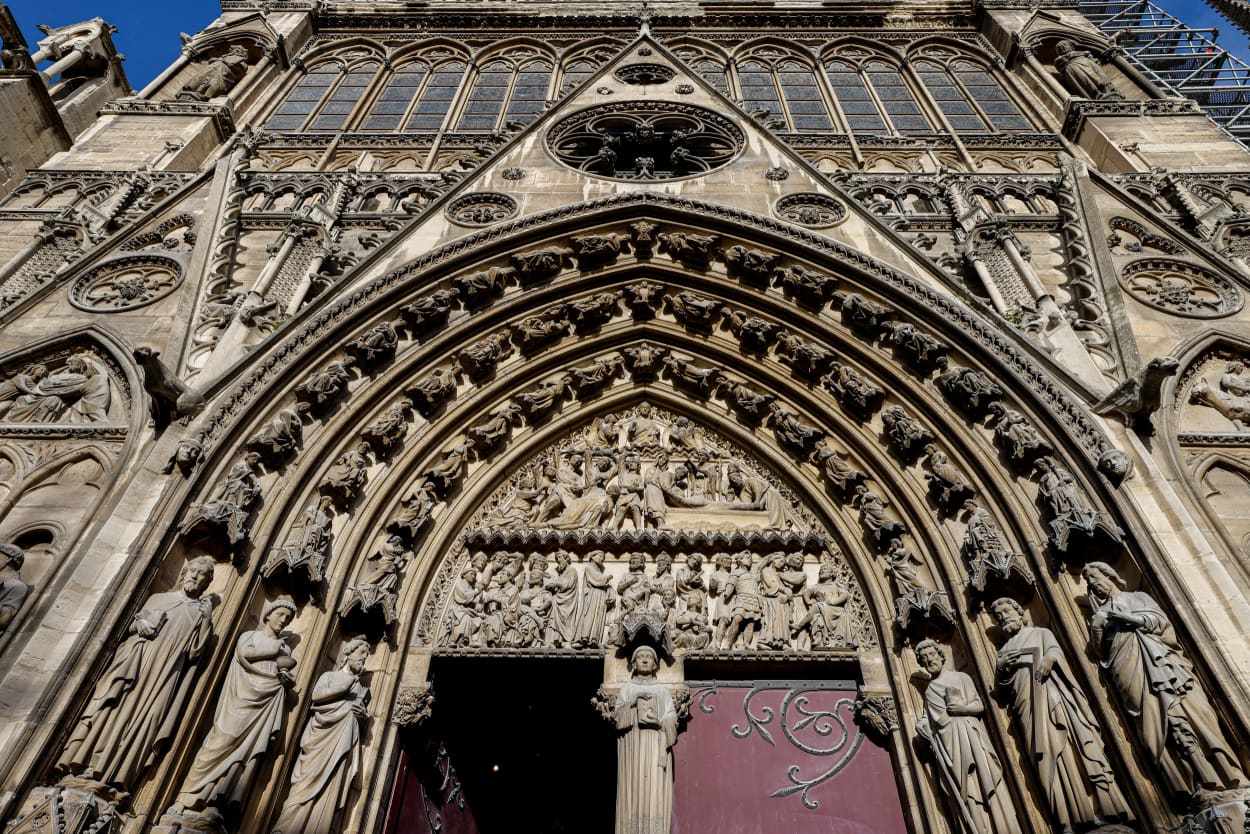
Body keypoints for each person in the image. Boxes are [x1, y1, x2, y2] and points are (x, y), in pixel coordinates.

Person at [1083, 562, 1246, 795]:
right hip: (1129, 669)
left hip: (1164, 663)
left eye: (1096, 578)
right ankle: (1190, 784)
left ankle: (1228, 773)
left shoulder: (1136, 597)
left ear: (1110, 576)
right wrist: (1098, 628)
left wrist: (1130, 619)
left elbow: (1161, 623)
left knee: (1195, 710)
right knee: (1156, 722)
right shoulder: (1099, 616)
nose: (1094, 585)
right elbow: (1100, 653)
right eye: (1090, 583)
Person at [57, 556, 216, 790]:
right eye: (192, 570)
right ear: (184, 572)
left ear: (207, 581)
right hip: (137, 667)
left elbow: (194, 654)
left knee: (150, 719)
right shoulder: (159, 598)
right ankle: (87, 762)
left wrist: (207, 620)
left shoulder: (201, 614)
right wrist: (138, 627)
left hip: (165, 677)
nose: (194, 575)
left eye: (201, 573)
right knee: (116, 709)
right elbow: (132, 627)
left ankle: (119, 775)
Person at [990, 597, 1127, 830]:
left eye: (1006, 612)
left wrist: (1050, 659)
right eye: (999, 616)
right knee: (1048, 758)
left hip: (1055, 700)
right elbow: (1001, 695)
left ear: (1019, 611)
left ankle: (1103, 809)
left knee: (1074, 748)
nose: (1004, 617)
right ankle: (1070, 818)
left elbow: (1056, 652)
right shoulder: (1003, 652)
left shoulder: (1041, 633)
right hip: (1028, 710)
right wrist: (1002, 669)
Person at [175, 597, 298, 812]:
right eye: (280, 615)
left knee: (248, 754)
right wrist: (274, 648)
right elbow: (245, 654)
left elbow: (281, 672)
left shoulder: (285, 651)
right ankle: (186, 798)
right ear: (268, 615)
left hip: (265, 704)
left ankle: (216, 802)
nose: (283, 621)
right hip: (240, 698)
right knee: (222, 739)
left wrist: (286, 680)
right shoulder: (251, 636)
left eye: (287, 619)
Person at [914, 640, 1021, 834]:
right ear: (921, 664)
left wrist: (962, 709)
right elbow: (930, 719)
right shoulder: (929, 691)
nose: (929, 659)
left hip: (972, 736)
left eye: (932, 654)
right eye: (924, 658)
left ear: (940, 655)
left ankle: (1003, 827)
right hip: (951, 747)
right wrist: (922, 725)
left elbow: (978, 705)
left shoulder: (961, 677)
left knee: (985, 777)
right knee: (967, 790)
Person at [271, 640, 370, 834]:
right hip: (320, 738)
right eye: (360, 654)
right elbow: (317, 696)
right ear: (348, 654)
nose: (363, 659)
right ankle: (284, 828)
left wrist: (362, 717)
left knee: (329, 788)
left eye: (365, 657)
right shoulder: (330, 676)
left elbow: (358, 716)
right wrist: (345, 686)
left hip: (342, 742)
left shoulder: (360, 690)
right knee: (304, 784)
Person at [614, 645, 678, 834]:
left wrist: (659, 722)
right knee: (632, 789)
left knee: (653, 791)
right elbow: (617, 717)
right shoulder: (627, 689)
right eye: (640, 656)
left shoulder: (663, 691)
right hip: (632, 747)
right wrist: (633, 701)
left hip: (655, 744)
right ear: (633, 663)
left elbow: (671, 718)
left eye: (649, 657)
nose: (644, 659)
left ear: (655, 664)